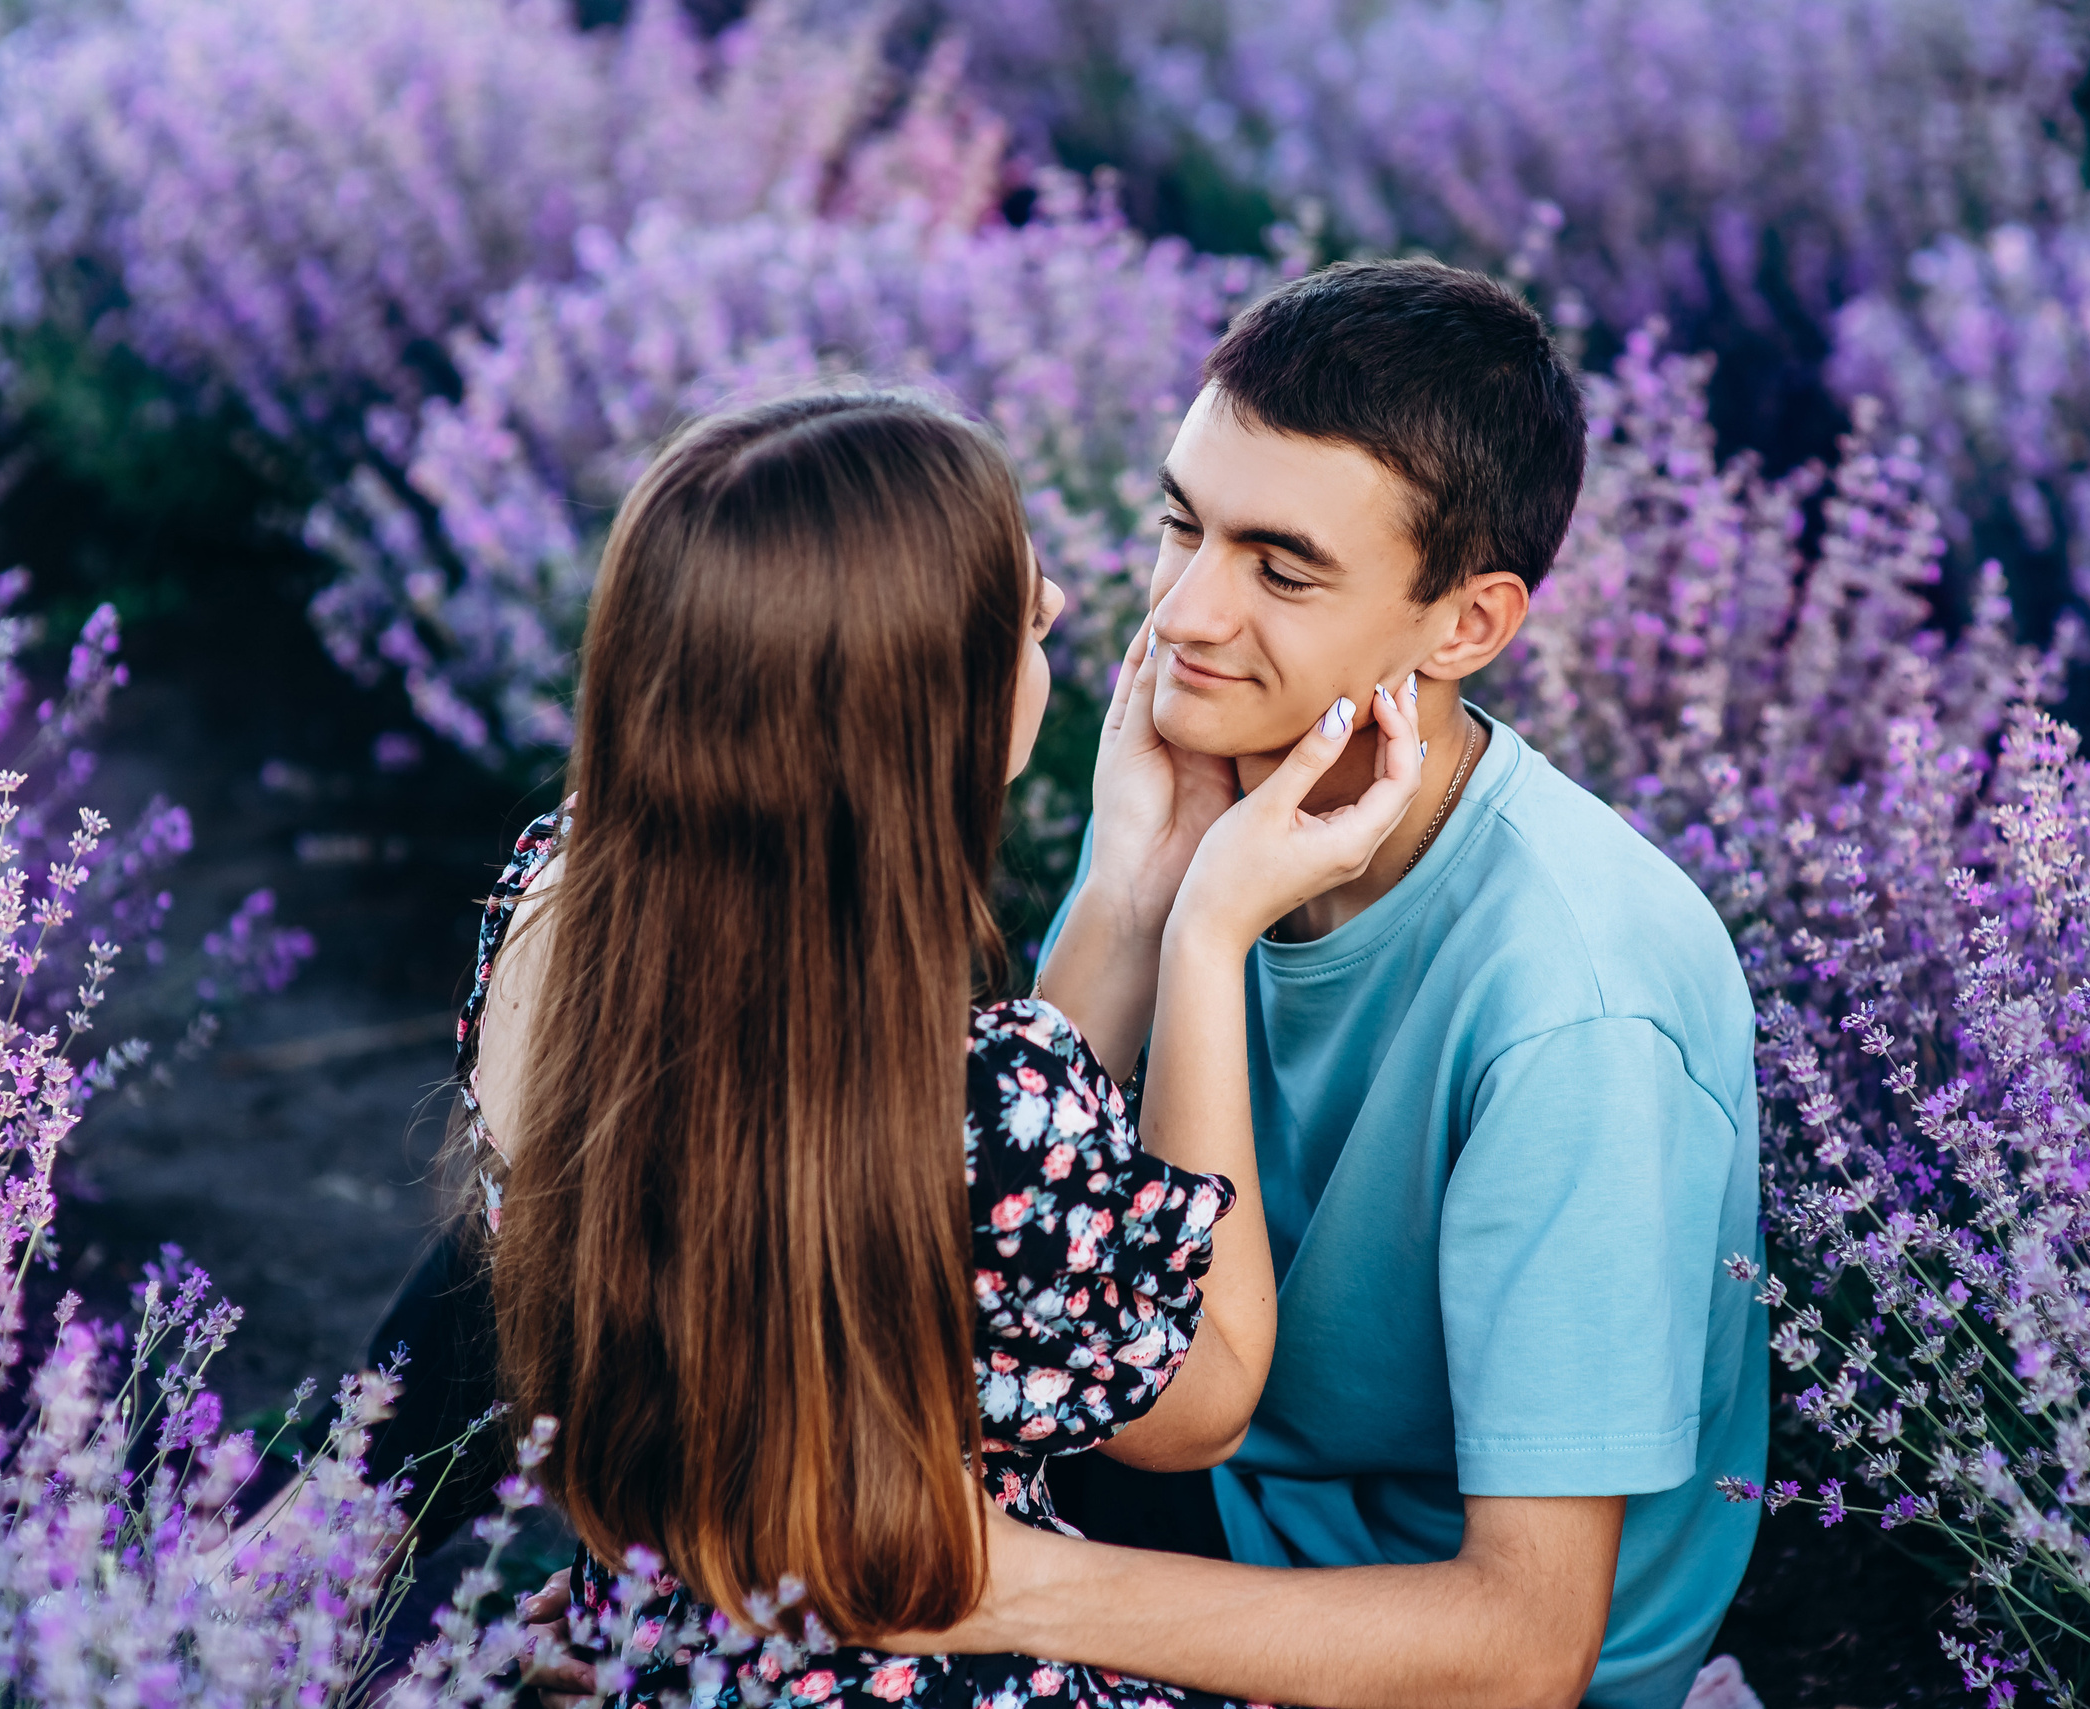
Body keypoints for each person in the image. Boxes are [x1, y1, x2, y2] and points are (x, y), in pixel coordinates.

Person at [456, 386, 1426, 1706]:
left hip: (682, 1643)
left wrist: (1127, 890)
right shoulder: (977, 1090)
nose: (1084, 627)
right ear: (937, 703)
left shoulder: (562, 907)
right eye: (1027, 622)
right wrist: (1206, 939)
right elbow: (1198, 1400)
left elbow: (959, 1180)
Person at [926, 259, 1768, 1709]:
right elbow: (998, 1242)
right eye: (1181, 527)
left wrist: (981, 1585)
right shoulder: (1214, 804)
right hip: (1208, 1493)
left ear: (1466, 627)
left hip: (1410, 1645)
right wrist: (1138, 886)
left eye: (1282, 568)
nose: (1187, 615)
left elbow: (1525, 1643)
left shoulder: (1578, 1005)